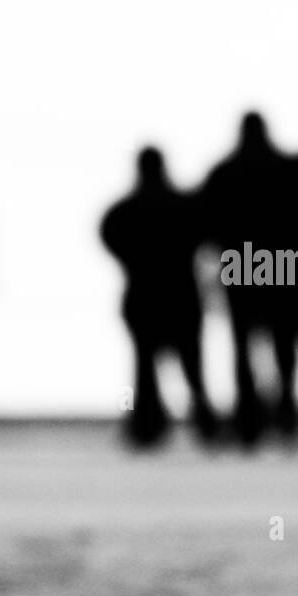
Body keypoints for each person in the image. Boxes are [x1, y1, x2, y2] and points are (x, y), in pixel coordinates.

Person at [101, 147, 218, 445]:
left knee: (144, 368)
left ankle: (147, 427)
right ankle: (205, 422)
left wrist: (131, 261)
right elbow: (207, 232)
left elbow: (107, 232)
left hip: (142, 295)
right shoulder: (184, 206)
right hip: (181, 294)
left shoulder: (126, 209)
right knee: (193, 367)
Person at [200, 113, 298, 444]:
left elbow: (204, 222)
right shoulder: (288, 171)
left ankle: (249, 420)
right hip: (286, 265)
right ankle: (287, 412)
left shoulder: (224, 172)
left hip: (241, 265)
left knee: (244, 345)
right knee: (284, 344)